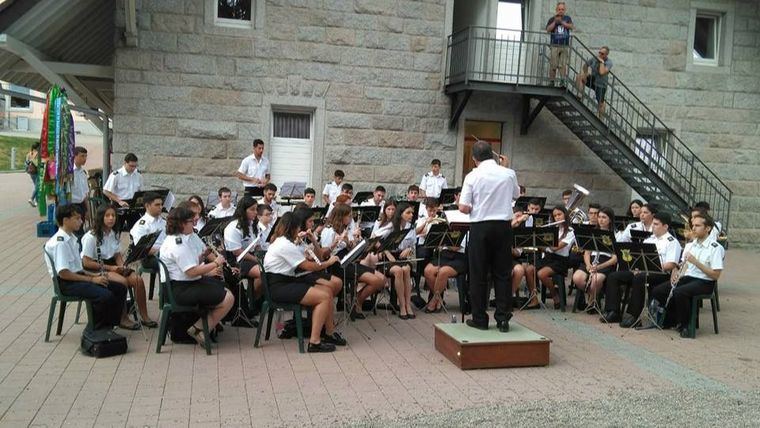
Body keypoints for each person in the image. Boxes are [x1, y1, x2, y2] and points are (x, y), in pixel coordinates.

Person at [458, 140, 520, 332]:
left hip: (480, 227)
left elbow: (463, 207)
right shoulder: (508, 173)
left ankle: (479, 318)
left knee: (478, 273)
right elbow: (516, 195)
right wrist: (505, 168)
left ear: (474, 158)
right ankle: (502, 318)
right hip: (503, 226)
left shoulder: (472, 176)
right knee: (502, 273)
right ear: (493, 155)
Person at [264, 212, 347, 353]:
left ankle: (329, 332)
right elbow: (310, 266)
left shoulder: (284, 241)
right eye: (297, 228)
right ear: (292, 228)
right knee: (325, 297)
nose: (299, 230)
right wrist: (329, 262)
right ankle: (314, 342)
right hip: (279, 286)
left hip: (285, 281)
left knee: (327, 291)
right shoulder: (284, 244)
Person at [160, 206, 234, 347]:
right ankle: (199, 329)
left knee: (225, 289)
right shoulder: (177, 245)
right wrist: (216, 263)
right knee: (228, 299)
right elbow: (192, 271)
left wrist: (204, 255)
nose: (194, 223)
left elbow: (193, 263)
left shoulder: (187, 237)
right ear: (181, 224)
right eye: (191, 221)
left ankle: (202, 327)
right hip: (179, 290)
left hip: (188, 283)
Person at [43, 204, 126, 330]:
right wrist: (92, 280)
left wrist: (95, 275)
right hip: (66, 284)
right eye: (77, 218)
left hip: (76, 278)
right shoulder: (61, 243)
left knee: (119, 288)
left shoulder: (71, 238)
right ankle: (96, 329)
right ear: (65, 220)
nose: (81, 221)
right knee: (104, 295)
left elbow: (78, 269)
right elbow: (64, 274)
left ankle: (111, 325)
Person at [81, 205, 156, 329]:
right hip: (98, 267)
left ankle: (144, 316)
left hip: (113, 265)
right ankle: (122, 318)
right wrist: (111, 268)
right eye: (107, 216)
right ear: (101, 218)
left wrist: (122, 266)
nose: (111, 218)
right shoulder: (91, 237)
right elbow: (86, 262)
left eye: (113, 216)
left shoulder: (113, 233)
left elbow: (117, 255)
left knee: (138, 280)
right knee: (122, 282)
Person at [649, 213, 723, 338]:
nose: (693, 228)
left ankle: (687, 326)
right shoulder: (690, 245)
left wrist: (696, 262)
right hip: (688, 277)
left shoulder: (715, 248)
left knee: (680, 292)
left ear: (708, 228)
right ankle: (671, 320)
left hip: (705, 281)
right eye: (693, 225)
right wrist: (675, 271)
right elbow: (681, 264)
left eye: (698, 225)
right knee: (659, 290)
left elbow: (716, 275)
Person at [602, 212, 681, 327]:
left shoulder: (672, 242)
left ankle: (633, 316)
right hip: (643, 271)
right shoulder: (649, 239)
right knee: (614, 276)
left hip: (660, 273)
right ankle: (613, 311)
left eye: (656, 224)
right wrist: (636, 267)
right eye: (653, 224)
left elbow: (671, 264)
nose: (653, 226)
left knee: (639, 278)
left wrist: (650, 268)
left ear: (665, 226)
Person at [318, 204, 384, 319]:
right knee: (375, 280)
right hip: (338, 264)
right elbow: (324, 255)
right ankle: (355, 303)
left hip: (349, 259)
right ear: (341, 216)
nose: (350, 219)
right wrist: (335, 243)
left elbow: (349, 248)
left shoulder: (345, 228)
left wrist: (349, 241)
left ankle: (356, 301)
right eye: (348, 216)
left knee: (381, 279)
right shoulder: (328, 230)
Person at [376, 203, 417, 319]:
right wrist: (388, 254)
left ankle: (408, 305)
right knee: (398, 271)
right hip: (388, 257)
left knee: (406, 269)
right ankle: (402, 306)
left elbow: (413, 244)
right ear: (401, 214)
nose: (411, 215)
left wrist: (409, 249)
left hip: (402, 257)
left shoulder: (411, 227)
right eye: (408, 213)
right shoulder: (390, 226)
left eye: (412, 213)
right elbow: (376, 237)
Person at [571, 207, 618, 308]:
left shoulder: (616, 235)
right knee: (577, 278)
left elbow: (615, 258)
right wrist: (588, 265)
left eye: (604, 217)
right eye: (599, 217)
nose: (600, 220)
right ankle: (594, 296)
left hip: (605, 262)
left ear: (610, 220)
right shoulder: (593, 233)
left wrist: (599, 267)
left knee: (596, 280)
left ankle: (592, 300)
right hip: (591, 260)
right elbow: (587, 253)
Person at [536, 205, 576, 310]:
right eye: (555, 216)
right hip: (549, 258)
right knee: (531, 269)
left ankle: (554, 295)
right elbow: (544, 248)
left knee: (541, 274)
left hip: (560, 261)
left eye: (559, 214)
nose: (557, 217)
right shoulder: (552, 229)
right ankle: (533, 300)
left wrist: (544, 244)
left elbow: (555, 247)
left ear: (565, 215)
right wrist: (536, 238)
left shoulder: (571, 231)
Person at [223, 196, 262, 300]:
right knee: (262, 272)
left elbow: (257, 245)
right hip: (238, 260)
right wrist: (258, 260)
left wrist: (262, 256)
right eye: (252, 209)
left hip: (251, 256)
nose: (255, 212)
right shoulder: (233, 227)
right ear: (243, 210)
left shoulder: (253, 224)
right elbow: (237, 251)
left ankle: (257, 298)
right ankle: (252, 300)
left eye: (256, 209)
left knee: (271, 268)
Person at [129, 192, 166, 271]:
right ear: (147, 206)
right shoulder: (141, 225)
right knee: (170, 263)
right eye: (157, 205)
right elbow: (142, 249)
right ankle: (166, 283)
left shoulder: (164, 222)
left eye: (161, 204)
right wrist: (163, 251)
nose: (161, 207)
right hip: (149, 258)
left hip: (166, 253)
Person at [577, 46, 613, 116]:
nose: (600, 54)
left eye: (602, 54)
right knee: (579, 76)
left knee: (601, 103)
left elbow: (602, 72)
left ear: (606, 55)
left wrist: (602, 62)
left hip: (601, 84)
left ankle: (600, 117)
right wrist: (585, 73)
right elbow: (585, 65)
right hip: (593, 79)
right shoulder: (594, 58)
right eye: (599, 52)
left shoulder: (609, 62)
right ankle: (580, 94)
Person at [546, 1, 574, 84]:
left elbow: (571, 26)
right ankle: (552, 81)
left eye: (562, 9)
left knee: (563, 64)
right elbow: (548, 30)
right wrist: (555, 22)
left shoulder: (567, 18)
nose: (561, 11)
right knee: (553, 64)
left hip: (564, 45)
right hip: (554, 45)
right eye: (559, 9)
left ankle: (562, 80)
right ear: (556, 9)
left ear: (564, 10)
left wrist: (562, 22)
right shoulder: (552, 19)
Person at [70, 147, 90, 218]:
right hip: (71, 205)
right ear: (74, 156)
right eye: (82, 156)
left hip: (81, 205)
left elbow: (85, 193)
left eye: (85, 156)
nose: (84, 159)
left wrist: (87, 210)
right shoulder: (69, 172)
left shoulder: (83, 173)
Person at [25, 142, 40, 207]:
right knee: (38, 186)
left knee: (36, 186)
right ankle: (31, 198)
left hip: (31, 172)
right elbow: (37, 164)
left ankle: (36, 201)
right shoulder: (37, 154)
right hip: (36, 172)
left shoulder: (29, 154)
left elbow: (26, 163)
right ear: (37, 147)